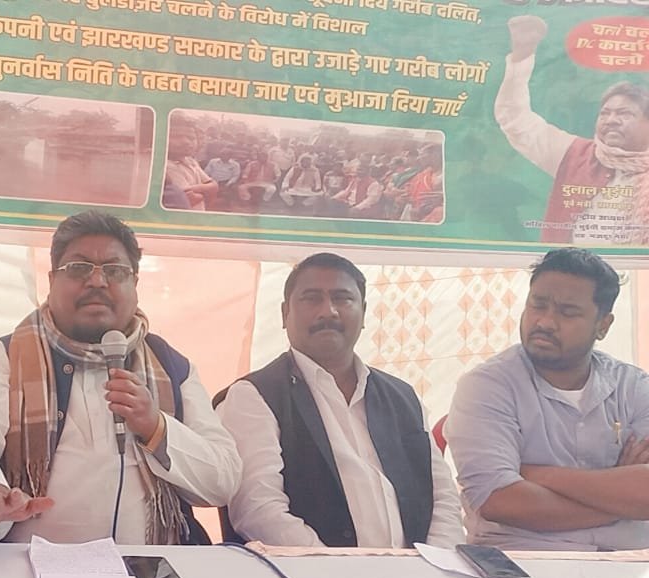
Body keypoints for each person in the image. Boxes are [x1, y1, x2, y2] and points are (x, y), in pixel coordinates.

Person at [0, 211, 240, 544]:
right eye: (78, 268)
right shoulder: (4, 356)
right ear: (52, 281)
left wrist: (156, 428)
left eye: (114, 270)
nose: (97, 281)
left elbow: (222, 480)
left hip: (147, 570)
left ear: (135, 284)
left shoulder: (171, 365)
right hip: (21, 569)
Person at [217, 253, 463, 548]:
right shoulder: (255, 396)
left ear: (364, 313)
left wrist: (434, 563)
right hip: (306, 574)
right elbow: (257, 509)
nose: (328, 311)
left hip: (413, 572)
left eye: (342, 298)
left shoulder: (402, 398)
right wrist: (336, 568)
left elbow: (443, 498)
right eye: (312, 299)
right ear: (285, 314)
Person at [447, 248, 649, 550]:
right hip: (524, 562)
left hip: (629, 562)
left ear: (603, 325)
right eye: (537, 305)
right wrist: (622, 499)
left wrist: (539, 475)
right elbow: (501, 501)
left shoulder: (634, 387)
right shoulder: (486, 386)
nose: (545, 322)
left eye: (568, 312)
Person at [495, 15, 649, 244]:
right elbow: (515, 120)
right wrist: (522, 56)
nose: (611, 120)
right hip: (570, 266)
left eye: (624, 114)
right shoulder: (575, 154)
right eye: (605, 113)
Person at [164, 122, 218, 211]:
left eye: (191, 138)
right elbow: (190, 199)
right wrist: (207, 191)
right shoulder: (167, 166)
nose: (186, 142)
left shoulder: (190, 160)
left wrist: (199, 190)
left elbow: (214, 186)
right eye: (177, 136)